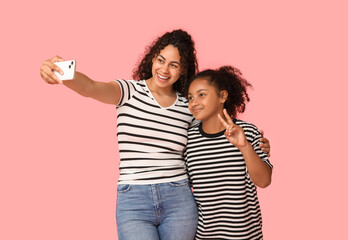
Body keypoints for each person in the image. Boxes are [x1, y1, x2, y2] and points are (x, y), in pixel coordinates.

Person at [40, 29, 271, 239]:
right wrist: (61, 73)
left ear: (183, 70)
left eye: (174, 64)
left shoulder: (188, 106)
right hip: (134, 199)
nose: (164, 69)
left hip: (179, 198)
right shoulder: (127, 91)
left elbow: (214, 127)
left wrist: (255, 144)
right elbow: (90, 87)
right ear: (152, 58)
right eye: (161, 60)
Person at [185, 65, 273, 240]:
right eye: (190, 97)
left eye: (201, 94)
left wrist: (244, 146)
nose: (194, 102)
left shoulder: (247, 132)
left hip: (244, 236)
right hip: (204, 236)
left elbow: (264, 181)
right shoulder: (189, 140)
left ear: (222, 96)